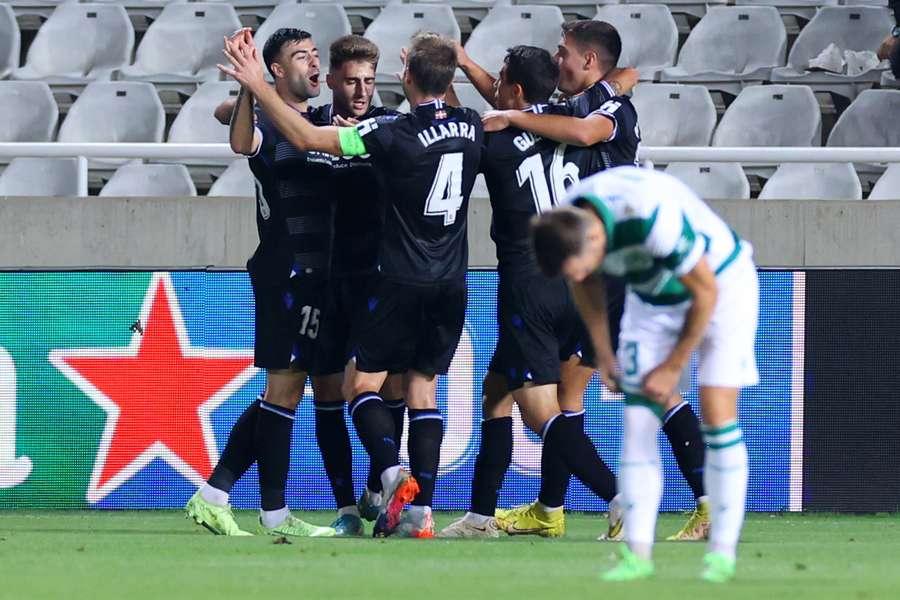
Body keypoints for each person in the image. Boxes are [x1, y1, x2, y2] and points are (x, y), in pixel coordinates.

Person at [219, 31, 484, 538]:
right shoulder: (463, 124)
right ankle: (368, 507)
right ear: (332, 83)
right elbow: (250, 124)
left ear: (399, 77)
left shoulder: (387, 130)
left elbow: (306, 141)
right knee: (334, 394)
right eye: (351, 80)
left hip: (384, 278)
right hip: (348, 278)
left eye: (370, 80)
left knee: (381, 390)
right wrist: (249, 96)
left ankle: (387, 485)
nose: (362, 90)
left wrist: (257, 84)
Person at [476, 21, 710, 541]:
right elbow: (519, 103)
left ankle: (701, 501)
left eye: (563, 54)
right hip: (594, 273)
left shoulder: (608, 111)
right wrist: (471, 71)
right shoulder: (574, 105)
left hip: (624, 270)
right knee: (570, 395)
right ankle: (550, 509)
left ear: (587, 61)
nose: (557, 62)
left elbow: (572, 127)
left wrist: (508, 112)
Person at [532, 166, 759, 583]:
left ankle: (722, 552)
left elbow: (705, 292)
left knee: (716, 412)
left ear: (597, 240)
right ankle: (636, 554)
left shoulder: (650, 214)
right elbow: (586, 283)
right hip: (651, 300)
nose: (575, 277)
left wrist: (673, 366)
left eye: (578, 267)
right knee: (637, 423)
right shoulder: (568, 221)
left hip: (723, 285)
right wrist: (603, 352)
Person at [438, 46, 623, 540]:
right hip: (583, 280)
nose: (495, 89)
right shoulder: (574, 125)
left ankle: (620, 497)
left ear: (515, 93)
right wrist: (466, 63)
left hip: (530, 284)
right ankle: (481, 516)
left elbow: (454, 137)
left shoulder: (496, 140)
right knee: (496, 393)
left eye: (500, 80)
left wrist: (448, 86)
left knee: (540, 410)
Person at [185, 27, 340, 538]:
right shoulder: (267, 127)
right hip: (284, 273)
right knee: (283, 391)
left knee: (285, 395)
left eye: (317, 54)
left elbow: (223, 111)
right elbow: (238, 138)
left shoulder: (320, 120)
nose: (315, 62)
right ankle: (269, 510)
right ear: (276, 70)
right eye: (302, 56)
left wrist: (249, 90)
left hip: (321, 276)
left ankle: (216, 494)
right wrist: (249, 88)